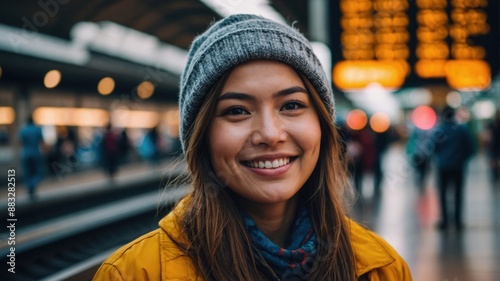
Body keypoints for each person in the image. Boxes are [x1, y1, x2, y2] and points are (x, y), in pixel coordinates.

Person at [93, 14, 412, 280]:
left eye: (291, 105)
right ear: (200, 137)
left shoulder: (382, 269)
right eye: (236, 110)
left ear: (322, 127)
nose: (270, 134)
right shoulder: (132, 273)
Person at [432, 106, 475, 230]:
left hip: (443, 167)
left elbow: (433, 148)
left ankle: (444, 222)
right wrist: (461, 159)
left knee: (443, 194)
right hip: (458, 167)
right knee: (458, 194)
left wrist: (441, 157)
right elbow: (471, 148)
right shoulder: (462, 129)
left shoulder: (439, 130)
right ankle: (457, 222)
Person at [18, 114, 45, 201]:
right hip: (35, 153)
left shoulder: (23, 130)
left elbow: (20, 142)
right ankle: (32, 186)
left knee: (28, 173)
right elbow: (41, 142)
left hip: (25, 154)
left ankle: (30, 188)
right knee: (38, 172)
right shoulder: (37, 129)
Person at [485, 109, 500, 185]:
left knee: (496, 160)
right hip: (494, 145)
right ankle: (495, 173)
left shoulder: (493, 124)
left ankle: (496, 173)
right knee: (494, 160)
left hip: (496, 145)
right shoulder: (492, 124)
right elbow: (488, 135)